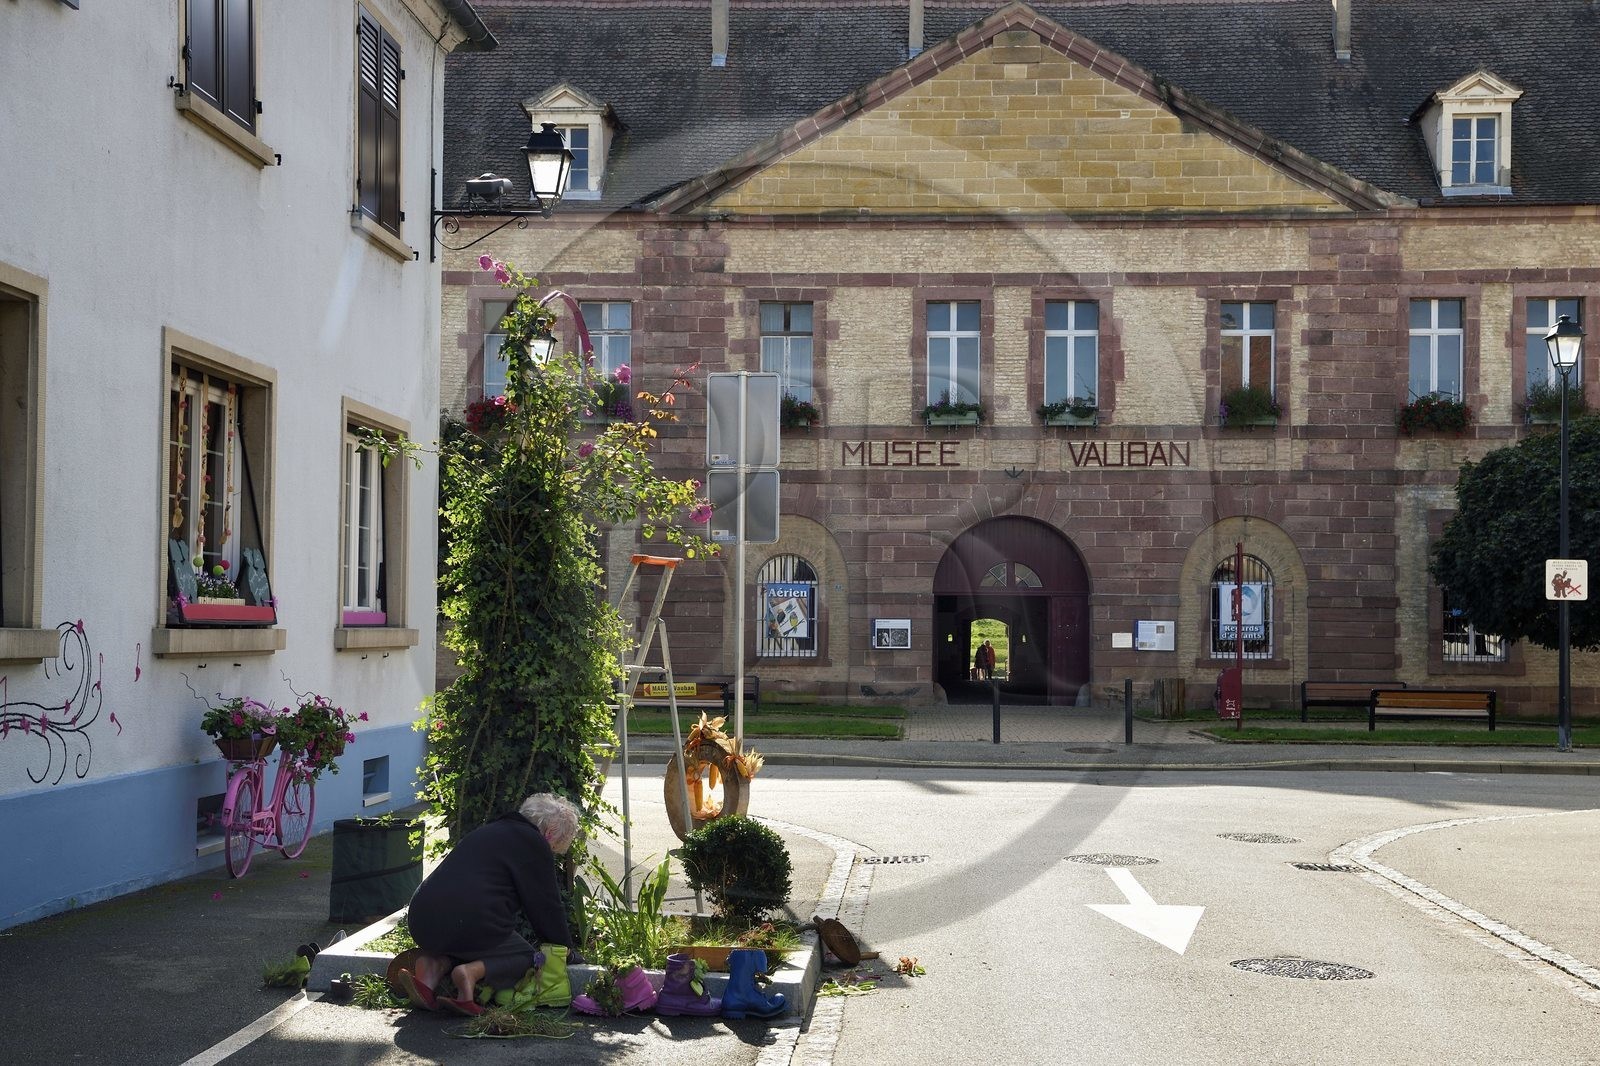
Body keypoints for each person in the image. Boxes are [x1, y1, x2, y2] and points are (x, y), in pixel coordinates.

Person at [398, 793, 581, 1014]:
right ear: (550, 833)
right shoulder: (534, 843)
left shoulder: (490, 830)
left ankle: (432, 968)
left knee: (469, 944)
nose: (551, 852)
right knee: (529, 956)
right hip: (468, 921)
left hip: (421, 919)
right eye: (555, 847)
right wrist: (565, 949)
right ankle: (469, 974)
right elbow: (546, 907)